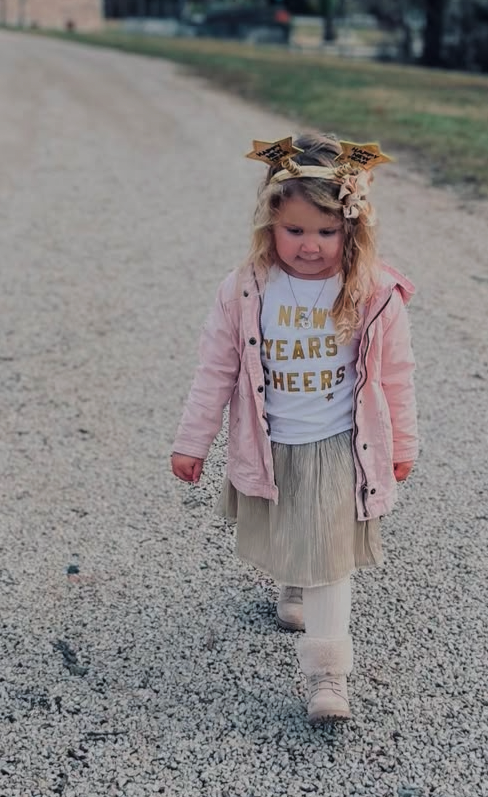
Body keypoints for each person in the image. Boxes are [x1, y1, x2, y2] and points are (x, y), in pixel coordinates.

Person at [171, 132, 418, 724]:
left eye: (327, 232)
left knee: (331, 559)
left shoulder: (373, 293)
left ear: (353, 229)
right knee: (292, 528)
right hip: (272, 440)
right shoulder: (246, 290)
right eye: (296, 231)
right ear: (269, 224)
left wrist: (403, 444)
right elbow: (215, 370)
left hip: (340, 447)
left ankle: (328, 677)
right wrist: (193, 439)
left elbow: (396, 374)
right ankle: (293, 581)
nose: (310, 247)